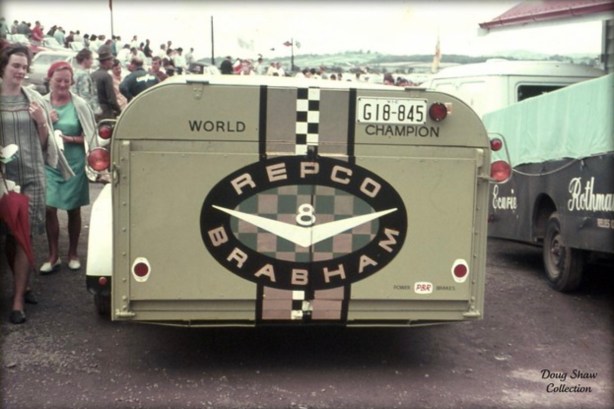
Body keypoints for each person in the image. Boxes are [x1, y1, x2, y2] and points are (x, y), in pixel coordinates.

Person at [1, 44, 72, 324]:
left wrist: (42, 122)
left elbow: (44, 145)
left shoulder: (33, 99)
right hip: (4, 181)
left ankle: (18, 301)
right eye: (15, 66)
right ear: (4, 67)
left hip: (31, 176)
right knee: (10, 235)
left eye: (24, 67)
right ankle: (24, 285)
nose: (21, 71)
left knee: (24, 236)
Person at [41, 61, 98, 274]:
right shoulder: (41, 103)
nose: (63, 85)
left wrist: (68, 138)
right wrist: (45, 120)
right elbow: (32, 132)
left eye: (67, 81)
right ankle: (53, 255)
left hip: (74, 163)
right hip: (50, 162)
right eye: (59, 80)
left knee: (74, 209)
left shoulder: (79, 104)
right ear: (50, 79)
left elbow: (89, 137)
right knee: (49, 208)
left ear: (72, 81)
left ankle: (73, 253)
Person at [91, 50, 121, 120]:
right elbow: (111, 99)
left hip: (93, 110)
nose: (112, 63)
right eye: (111, 60)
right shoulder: (107, 76)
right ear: (106, 62)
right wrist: (118, 110)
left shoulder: (92, 75)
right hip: (105, 112)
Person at [71, 48, 100, 116]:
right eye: (91, 59)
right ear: (85, 60)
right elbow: (85, 94)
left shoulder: (75, 72)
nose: (92, 62)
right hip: (83, 110)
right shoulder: (83, 75)